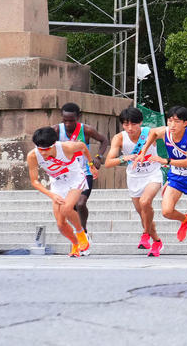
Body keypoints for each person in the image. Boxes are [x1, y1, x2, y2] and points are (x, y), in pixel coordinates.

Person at [139, 106, 187, 257]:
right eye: (170, 121)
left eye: (177, 121)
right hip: (176, 177)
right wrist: (143, 151)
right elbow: (153, 133)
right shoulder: (166, 131)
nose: (172, 125)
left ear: (185, 123)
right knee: (167, 211)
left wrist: (165, 160)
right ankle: (184, 219)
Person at [102, 106, 163, 255]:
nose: (130, 128)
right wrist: (124, 157)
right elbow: (108, 162)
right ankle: (156, 241)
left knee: (145, 202)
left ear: (140, 122)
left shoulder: (150, 133)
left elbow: (172, 131)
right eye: (126, 124)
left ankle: (145, 234)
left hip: (153, 174)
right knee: (143, 213)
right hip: (134, 177)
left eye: (133, 124)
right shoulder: (119, 138)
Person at [26, 126, 91, 257]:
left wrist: (91, 166)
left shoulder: (67, 147)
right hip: (58, 183)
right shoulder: (33, 156)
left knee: (66, 209)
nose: (43, 153)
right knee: (61, 224)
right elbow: (35, 181)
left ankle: (81, 234)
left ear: (54, 144)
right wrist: (52, 195)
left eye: (47, 149)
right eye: (40, 149)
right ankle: (76, 244)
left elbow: (83, 146)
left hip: (75, 178)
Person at [57, 102, 108, 241]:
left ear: (78, 117)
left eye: (71, 120)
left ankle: (84, 231)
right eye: (65, 120)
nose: (68, 124)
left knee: (80, 203)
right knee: (71, 206)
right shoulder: (56, 130)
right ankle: (78, 232)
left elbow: (104, 140)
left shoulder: (86, 130)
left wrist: (99, 157)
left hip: (84, 173)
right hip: (66, 176)